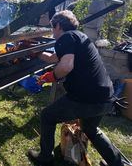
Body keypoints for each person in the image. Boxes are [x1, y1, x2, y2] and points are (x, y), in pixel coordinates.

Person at [28, 10, 124, 166]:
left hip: (86, 98)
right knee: (91, 130)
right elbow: (53, 58)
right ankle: (117, 163)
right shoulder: (79, 36)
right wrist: (36, 53)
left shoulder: (66, 37)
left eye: (53, 28)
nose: (53, 32)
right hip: (105, 96)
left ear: (58, 25)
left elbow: (65, 66)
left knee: (47, 116)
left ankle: (45, 158)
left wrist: (52, 76)